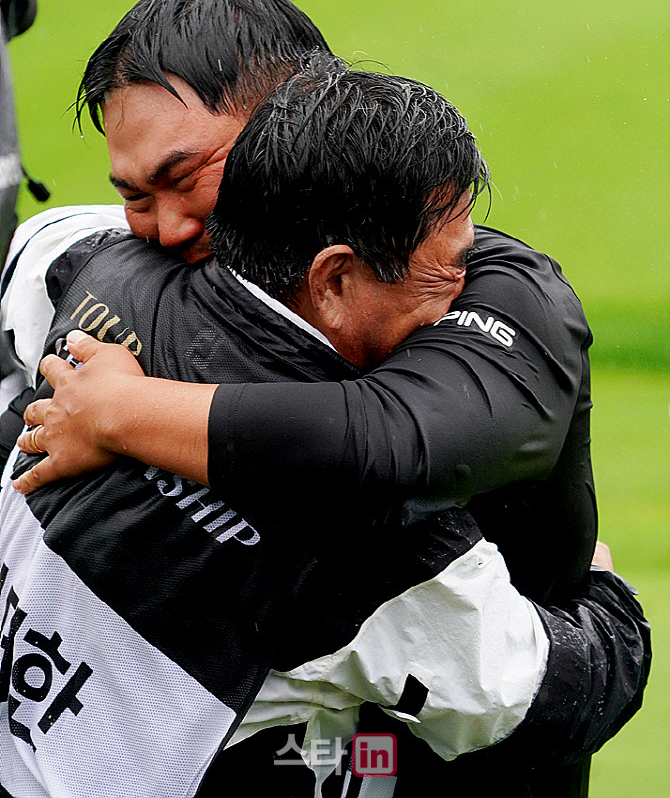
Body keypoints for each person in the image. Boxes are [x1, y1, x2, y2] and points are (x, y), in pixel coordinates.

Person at [1, 60, 649, 797]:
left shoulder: (89, 267)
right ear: (335, 281)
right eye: (447, 274)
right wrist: (604, 599)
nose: (456, 313)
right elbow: (537, 703)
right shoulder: (372, 543)